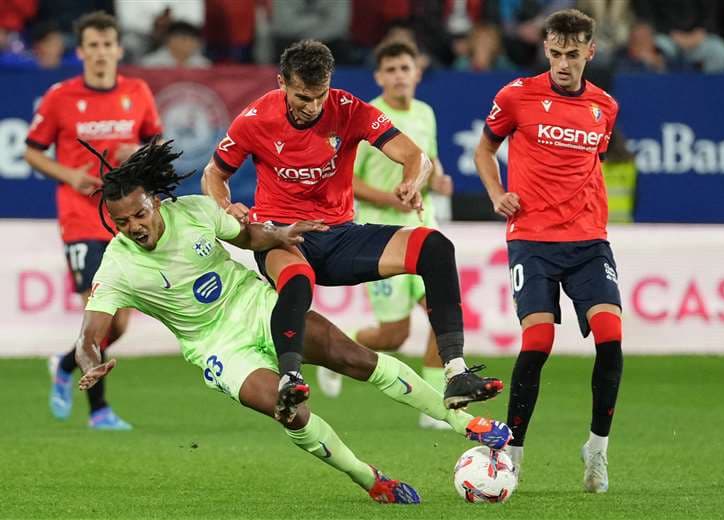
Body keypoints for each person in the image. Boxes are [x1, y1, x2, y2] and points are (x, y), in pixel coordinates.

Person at [74, 139, 513, 504]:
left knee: (354, 358)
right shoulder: (116, 267)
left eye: (139, 214)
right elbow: (89, 334)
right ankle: (369, 478)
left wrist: (279, 235)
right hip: (217, 348)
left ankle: (464, 424)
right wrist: (91, 361)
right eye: (122, 222)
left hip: (257, 305)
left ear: (156, 201)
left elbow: (247, 237)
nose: (133, 226)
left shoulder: (194, 212)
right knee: (292, 411)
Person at [202, 39, 503, 422]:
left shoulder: (349, 109)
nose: (312, 107)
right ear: (281, 83)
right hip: (285, 235)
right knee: (297, 279)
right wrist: (225, 207)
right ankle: (289, 379)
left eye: (319, 96)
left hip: (340, 235)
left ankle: (456, 372)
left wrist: (412, 180)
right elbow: (214, 174)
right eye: (302, 97)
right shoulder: (255, 118)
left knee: (435, 246)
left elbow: (415, 155)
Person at [473, 9, 623, 494]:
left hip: (587, 241)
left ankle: (596, 451)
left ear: (589, 52)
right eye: (555, 53)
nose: (563, 63)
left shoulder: (605, 107)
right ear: (546, 50)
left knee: (611, 337)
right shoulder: (516, 96)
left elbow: (589, 165)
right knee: (537, 343)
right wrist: (497, 194)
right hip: (532, 241)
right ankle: (512, 453)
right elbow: (484, 150)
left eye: (572, 54)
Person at [24, 11, 163, 430]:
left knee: (119, 321)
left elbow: (154, 140)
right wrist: (70, 175)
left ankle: (65, 363)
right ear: (81, 51)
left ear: (118, 49)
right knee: (100, 309)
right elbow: (32, 150)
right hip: (81, 216)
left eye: (108, 45)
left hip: (121, 216)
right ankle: (99, 409)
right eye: (93, 46)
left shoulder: (137, 91)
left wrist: (135, 151)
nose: (101, 53)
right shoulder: (59, 97)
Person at [315, 41, 455, 431]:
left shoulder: (426, 113)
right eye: (390, 69)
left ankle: (436, 403)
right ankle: (338, 350)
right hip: (378, 233)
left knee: (440, 311)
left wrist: (437, 178)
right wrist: (391, 201)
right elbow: (349, 179)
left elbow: (428, 157)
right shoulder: (367, 116)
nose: (398, 75)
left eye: (404, 67)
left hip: (423, 225)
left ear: (417, 73)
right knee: (394, 335)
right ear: (379, 77)